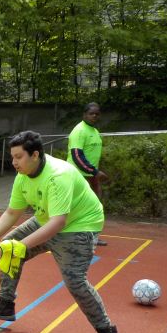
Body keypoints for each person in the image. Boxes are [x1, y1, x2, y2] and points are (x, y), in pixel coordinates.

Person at [0, 131, 119, 333]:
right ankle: (5, 303)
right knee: (9, 244)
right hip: (47, 218)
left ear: (35, 155)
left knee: (75, 281)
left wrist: (22, 247)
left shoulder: (58, 175)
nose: (14, 163)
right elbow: (12, 212)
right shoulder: (23, 176)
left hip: (79, 225)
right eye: (12, 157)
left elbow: (58, 223)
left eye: (18, 157)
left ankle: (107, 331)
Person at [67, 102, 108, 246]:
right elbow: (77, 156)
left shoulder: (95, 131)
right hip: (78, 176)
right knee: (78, 207)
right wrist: (95, 172)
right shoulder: (79, 130)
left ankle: (92, 236)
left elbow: (92, 155)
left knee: (95, 206)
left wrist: (94, 173)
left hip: (91, 176)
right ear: (84, 114)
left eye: (97, 114)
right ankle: (71, 236)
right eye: (91, 113)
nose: (94, 116)